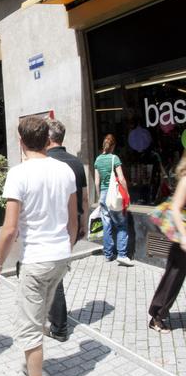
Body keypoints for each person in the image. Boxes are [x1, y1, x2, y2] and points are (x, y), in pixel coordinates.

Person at [0, 116, 77, 376]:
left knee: (30, 328)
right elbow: (74, 219)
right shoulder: (65, 171)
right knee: (39, 316)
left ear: (21, 141)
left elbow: (10, 228)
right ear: (48, 139)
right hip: (60, 256)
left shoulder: (19, 173)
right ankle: (33, 369)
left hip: (36, 259)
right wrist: (68, 245)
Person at [45, 119, 89, 343]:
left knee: (54, 278)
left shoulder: (44, 161)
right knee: (56, 272)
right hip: (72, 225)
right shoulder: (76, 162)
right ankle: (55, 319)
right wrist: (83, 224)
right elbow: (84, 196)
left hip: (51, 227)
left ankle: (59, 327)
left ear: (48, 137)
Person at [148, 150, 186, 333]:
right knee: (173, 278)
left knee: (174, 276)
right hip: (183, 239)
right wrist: (184, 237)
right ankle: (157, 316)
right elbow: (176, 209)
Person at [94, 134, 132, 266]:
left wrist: (99, 197)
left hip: (104, 196)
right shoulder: (114, 158)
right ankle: (122, 254)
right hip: (114, 195)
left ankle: (108, 254)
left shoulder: (98, 160)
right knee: (121, 225)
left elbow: (97, 181)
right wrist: (127, 193)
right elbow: (121, 178)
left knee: (107, 225)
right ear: (113, 146)